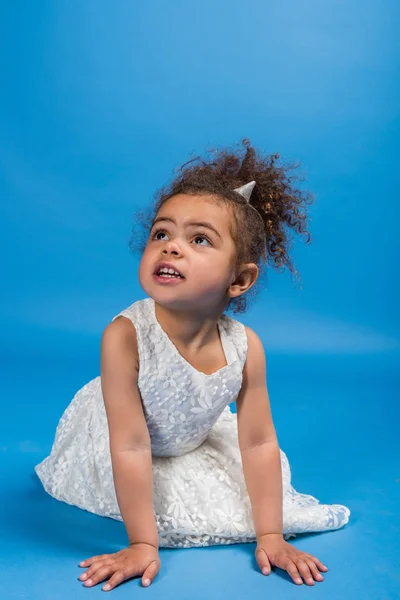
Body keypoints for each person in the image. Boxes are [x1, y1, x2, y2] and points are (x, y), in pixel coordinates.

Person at [34, 139, 350, 592]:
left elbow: (258, 441)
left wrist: (271, 534)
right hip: (118, 437)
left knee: (246, 493)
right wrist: (143, 544)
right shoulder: (125, 337)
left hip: (188, 434)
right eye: (161, 234)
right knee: (165, 505)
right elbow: (128, 445)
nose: (172, 248)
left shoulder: (246, 347)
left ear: (239, 279)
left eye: (199, 239)